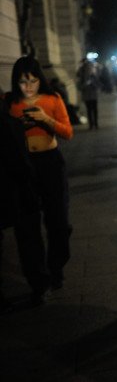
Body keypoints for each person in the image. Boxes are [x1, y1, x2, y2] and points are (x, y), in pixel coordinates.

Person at [7, 56, 74, 292]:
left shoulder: (52, 99)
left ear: (39, 80)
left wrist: (45, 120)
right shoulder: (9, 103)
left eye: (33, 81)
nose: (28, 87)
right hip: (23, 167)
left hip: (50, 163)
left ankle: (56, 266)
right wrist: (19, 127)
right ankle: (37, 279)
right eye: (22, 82)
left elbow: (67, 132)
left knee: (59, 223)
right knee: (27, 226)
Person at [0, 91, 47, 307]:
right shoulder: (8, 124)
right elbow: (20, 163)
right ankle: (38, 284)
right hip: (16, 191)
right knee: (29, 239)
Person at [76, 58, 100, 129]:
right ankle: (92, 124)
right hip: (87, 94)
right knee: (90, 109)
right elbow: (79, 86)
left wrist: (92, 83)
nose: (88, 68)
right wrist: (85, 85)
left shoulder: (93, 74)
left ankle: (95, 124)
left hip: (92, 94)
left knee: (93, 109)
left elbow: (98, 84)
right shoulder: (81, 73)